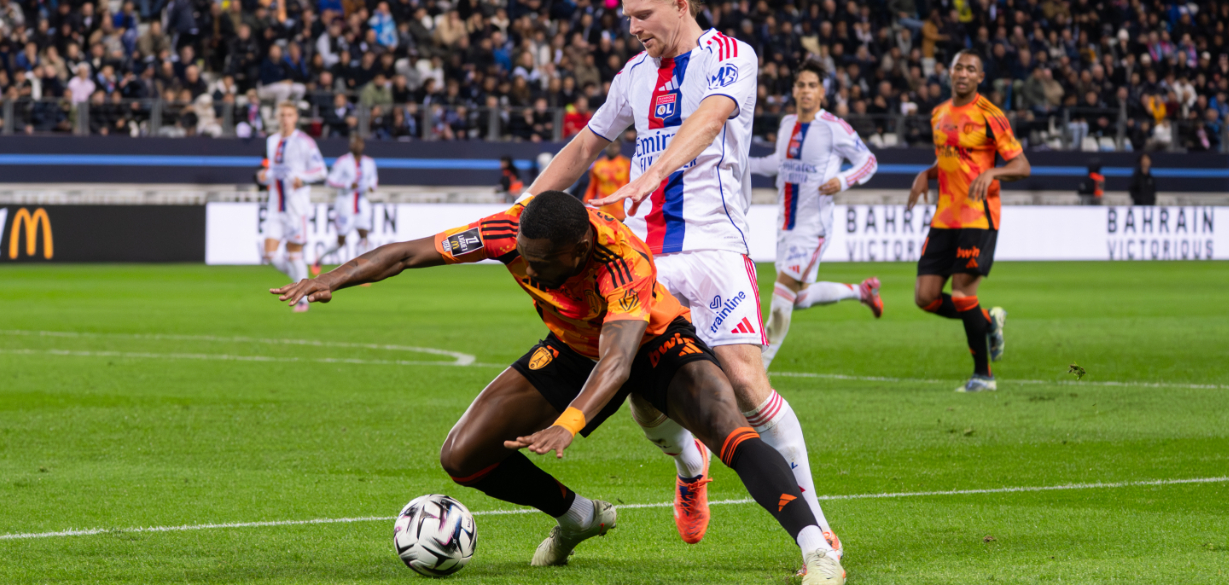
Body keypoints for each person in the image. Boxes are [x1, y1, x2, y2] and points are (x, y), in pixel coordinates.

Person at [269, 192, 841, 584]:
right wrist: (329, 280)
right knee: (463, 456)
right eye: (524, 256)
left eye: (543, 263)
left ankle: (816, 550)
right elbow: (405, 253)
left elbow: (619, 363)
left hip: (653, 343)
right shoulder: (510, 232)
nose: (529, 270)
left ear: (580, 252)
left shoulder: (623, 261)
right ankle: (579, 516)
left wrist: (567, 424)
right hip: (572, 346)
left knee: (728, 425)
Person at [524, 0, 842, 580]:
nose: (633, 27)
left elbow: (711, 115)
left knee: (748, 386)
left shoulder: (732, 56)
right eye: (626, 16)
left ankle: (818, 532)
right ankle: (690, 468)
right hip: (646, 260)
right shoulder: (633, 75)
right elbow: (587, 144)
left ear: (680, 4)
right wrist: (523, 208)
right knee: (646, 400)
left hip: (717, 251)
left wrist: (655, 170)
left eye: (642, 14)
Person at [907, 49, 1031, 392]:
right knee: (926, 297)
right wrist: (927, 173)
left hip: (978, 216)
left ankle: (983, 376)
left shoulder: (990, 115)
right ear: (949, 73)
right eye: (958, 67)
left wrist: (993, 171)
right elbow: (951, 161)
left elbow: (1022, 166)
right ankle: (988, 320)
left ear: (980, 78)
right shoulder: (938, 114)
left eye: (971, 69)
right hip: (945, 217)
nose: (963, 73)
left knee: (962, 293)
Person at [749, 60, 883, 369]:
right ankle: (860, 291)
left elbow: (869, 160)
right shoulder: (786, 125)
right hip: (785, 225)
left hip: (814, 227)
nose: (806, 91)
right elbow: (778, 164)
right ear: (793, 91)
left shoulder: (833, 127)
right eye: (801, 85)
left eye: (812, 86)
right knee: (800, 297)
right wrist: (742, 163)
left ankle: (758, 373)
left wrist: (844, 180)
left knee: (782, 293)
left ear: (822, 92)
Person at [257, 101, 326, 312]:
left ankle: (303, 300)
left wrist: (302, 179)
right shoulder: (272, 141)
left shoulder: (305, 142)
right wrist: (264, 177)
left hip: (296, 208)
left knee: (295, 253)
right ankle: (302, 283)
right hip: (275, 207)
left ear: (295, 118)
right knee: (269, 254)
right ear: (277, 118)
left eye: (289, 115)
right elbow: (275, 171)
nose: (285, 119)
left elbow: (321, 171)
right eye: (282, 115)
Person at [312, 135, 379, 275]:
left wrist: (372, 186)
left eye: (359, 143)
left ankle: (361, 270)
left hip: (362, 203)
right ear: (350, 146)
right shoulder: (342, 162)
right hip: (345, 204)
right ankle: (320, 257)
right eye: (355, 143)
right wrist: (348, 184)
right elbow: (330, 180)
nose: (357, 146)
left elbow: (374, 179)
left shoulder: (369, 162)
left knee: (364, 236)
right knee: (340, 241)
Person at [582, 138, 631, 220]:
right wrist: (586, 202)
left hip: (622, 210)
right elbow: (593, 186)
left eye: (615, 146)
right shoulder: (597, 165)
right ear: (605, 146)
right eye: (609, 145)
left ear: (619, 147)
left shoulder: (627, 164)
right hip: (603, 211)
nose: (612, 148)